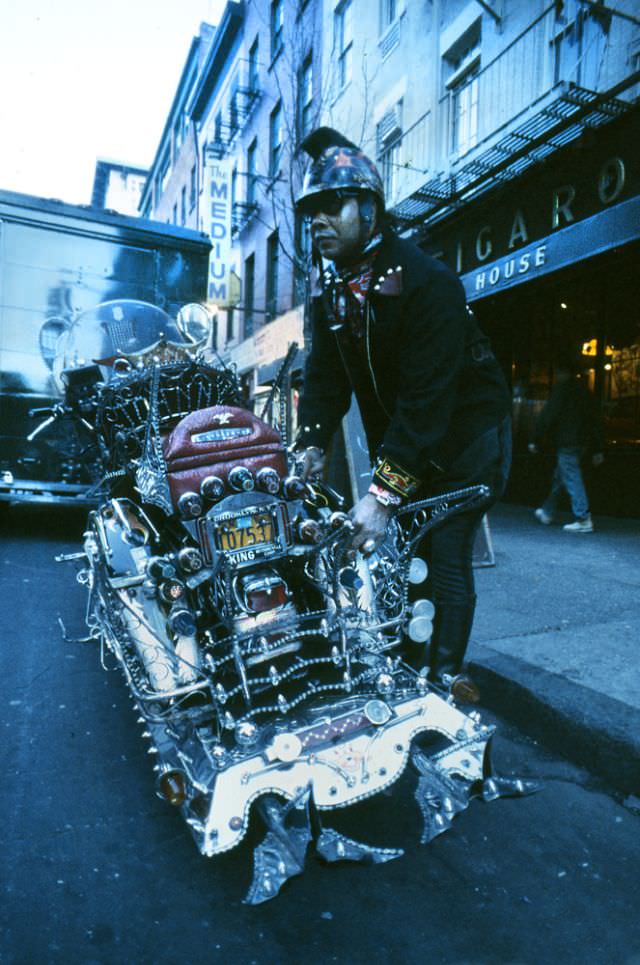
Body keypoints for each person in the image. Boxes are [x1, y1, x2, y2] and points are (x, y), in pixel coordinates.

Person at [294, 127, 512, 702]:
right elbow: (325, 376)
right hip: (419, 440)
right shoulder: (332, 291)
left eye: (329, 206)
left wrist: (383, 493)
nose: (316, 220)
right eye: (309, 210)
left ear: (369, 209)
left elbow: (427, 401)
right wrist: (310, 443)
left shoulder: (427, 282)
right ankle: (408, 660)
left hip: (468, 440)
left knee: (444, 553)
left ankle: (441, 676)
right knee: (402, 553)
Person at [529, 360, 604, 533]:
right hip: (581, 441)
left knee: (570, 476)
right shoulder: (584, 391)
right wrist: (598, 447)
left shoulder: (562, 390)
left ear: (562, 372)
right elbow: (594, 419)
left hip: (567, 440)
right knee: (561, 475)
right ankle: (547, 511)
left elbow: (548, 416)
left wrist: (535, 438)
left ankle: (583, 518)